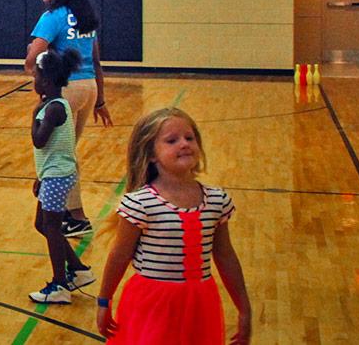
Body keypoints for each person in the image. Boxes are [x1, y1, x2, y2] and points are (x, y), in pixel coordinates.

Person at [95, 108, 252, 345]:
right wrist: (104, 301)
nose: (184, 144)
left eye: (190, 138)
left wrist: (244, 307)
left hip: (200, 305)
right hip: (152, 306)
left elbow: (225, 255)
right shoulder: (140, 204)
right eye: (172, 140)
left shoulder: (216, 200)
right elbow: (119, 256)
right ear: (151, 155)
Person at [25, 0, 110, 238]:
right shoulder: (86, 17)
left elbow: (34, 55)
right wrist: (101, 101)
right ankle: (67, 212)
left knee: (61, 156)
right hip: (89, 89)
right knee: (67, 152)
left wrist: (37, 70)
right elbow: (96, 61)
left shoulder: (53, 17)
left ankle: (76, 216)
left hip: (67, 90)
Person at [27, 48, 94, 304]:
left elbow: (40, 141)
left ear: (46, 81)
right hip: (53, 174)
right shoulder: (57, 104)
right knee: (42, 224)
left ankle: (59, 285)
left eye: (36, 76)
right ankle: (78, 269)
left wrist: (34, 117)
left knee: (51, 227)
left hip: (57, 176)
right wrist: (41, 177)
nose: (34, 81)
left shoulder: (53, 109)